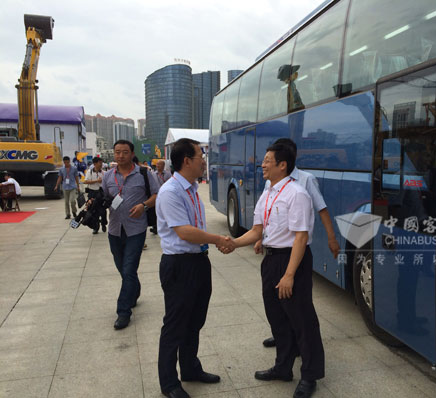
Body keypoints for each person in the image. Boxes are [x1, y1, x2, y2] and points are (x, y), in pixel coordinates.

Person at [230, 141, 325, 398]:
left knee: (302, 320)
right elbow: (258, 230)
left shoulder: (297, 194)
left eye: (268, 160)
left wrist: (290, 275)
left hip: (292, 261)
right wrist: (233, 243)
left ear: (282, 165)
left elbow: (301, 238)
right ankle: (283, 367)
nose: (262, 164)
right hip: (271, 261)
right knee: (277, 317)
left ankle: (310, 375)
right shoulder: (268, 193)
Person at [156, 138, 234, 398]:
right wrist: (218, 239)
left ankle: (190, 368)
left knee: (195, 321)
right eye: (201, 155)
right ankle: (169, 383)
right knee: (176, 324)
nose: (204, 160)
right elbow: (185, 232)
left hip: (198, 262)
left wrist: (210, 244)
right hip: (179, 265)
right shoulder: (170, 192)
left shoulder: (190, 189)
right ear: (187, 160)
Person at [256, 138, 340, 349]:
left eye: (268, 159)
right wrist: (261, 237)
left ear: (284, 161)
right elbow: (270, 213)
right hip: (275, 251)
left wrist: (331, 238)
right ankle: (283, 339)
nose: (264, 164)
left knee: (299, 306)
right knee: (276, 304)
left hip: (295, 251)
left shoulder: (305, 180)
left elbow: (321, 209)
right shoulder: (270, 182)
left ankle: (303, 350)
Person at [101, 140, 159, 330]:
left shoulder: (144, 174)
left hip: (136, 230)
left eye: (125, 152)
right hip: (115, 230)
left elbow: (157, 195)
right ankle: (135, 290)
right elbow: (103, 198)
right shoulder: (108, 176)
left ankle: (123, 312)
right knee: (124, 270)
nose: (120, 156)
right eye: (117, 152)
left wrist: (144, 205)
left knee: (128, 269)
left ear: (132, 153)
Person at [84, 157, 107, 234]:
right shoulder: (89, 172)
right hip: (92, 193)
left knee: (103, 210)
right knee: (93, 210)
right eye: (100, 163)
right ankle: (95, 227)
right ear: (95, 164)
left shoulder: (104, 173)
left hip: (101, 193)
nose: (101, 164)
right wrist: (97, 181)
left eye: (102, 163)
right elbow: (86, 181)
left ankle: (103, 223)